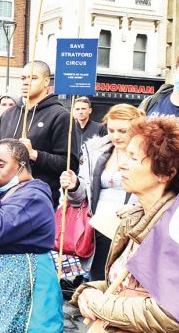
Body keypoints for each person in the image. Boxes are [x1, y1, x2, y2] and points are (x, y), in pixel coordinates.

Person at [71, 117, 179, 332]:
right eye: (125, 155)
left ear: (166, 173)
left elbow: (172, 313)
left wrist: (100, 304)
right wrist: (88, 290)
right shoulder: (136, 218)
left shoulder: (177, 229)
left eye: (133, 158)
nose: (122, 164)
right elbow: (125, 286)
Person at [0, 139, 64, 331]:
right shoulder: (2, 193)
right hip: (3, 284)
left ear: (22, 165)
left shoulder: (33, 195)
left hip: (28, 282)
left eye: (1, 164)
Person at [59, 104, 144, 280]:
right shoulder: (96, 150)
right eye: (111, 130)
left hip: (132, 229)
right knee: (99, 279)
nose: (115, 136)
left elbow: (161, 192)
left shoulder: (150, 153)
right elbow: (83, 196)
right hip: (97, 226)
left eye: (122, 131)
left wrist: (138, 208)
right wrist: (74, 185)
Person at [0, 61, 78, 207]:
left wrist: (34, 154)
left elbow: (69, 164)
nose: (26, 82)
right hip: (3, 197)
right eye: (23, 78)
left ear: (46, 81)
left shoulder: (60, 116)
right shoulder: (8, 115)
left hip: (37, 200)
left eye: (32, 78)